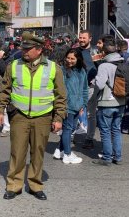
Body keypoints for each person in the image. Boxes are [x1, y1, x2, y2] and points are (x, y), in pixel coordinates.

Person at [0, 31, 66, 200]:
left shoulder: (52, 68)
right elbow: (5, 90)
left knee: (38, 152)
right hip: (19, 116)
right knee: (17, 152)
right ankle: (14, 185)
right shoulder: (13, 66)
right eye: (23, 48)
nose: (24, 51)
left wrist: (58, 118)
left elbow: (61, 95)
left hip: (43, 117)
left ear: (39, 50)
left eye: (28, 49)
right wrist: (0, 110)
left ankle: (35, 185)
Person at [92, 36, 126, 166]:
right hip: (121, 102)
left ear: (104, 52)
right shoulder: (123, 63)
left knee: (105, 130)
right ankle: (117, 157)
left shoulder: (104, 65)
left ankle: (106, 157)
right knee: (116, 130)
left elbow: (99, 85)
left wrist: (94, 81)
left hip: (107, 102)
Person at [53, 48, 88, 164]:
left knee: (72, 128)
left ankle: (60, 149)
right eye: (68, 58)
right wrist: (62, 106)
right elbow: (59, 90)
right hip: (67, 106)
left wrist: (83, 104)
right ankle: (67, 154)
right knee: (68, 129)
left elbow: (84, 89)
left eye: (72, 58)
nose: (69, 60)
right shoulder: (61, 70)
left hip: (78, 105)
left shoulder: (82, 71)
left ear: (78, 59)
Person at [78, 30, 99, 150]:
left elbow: (101, 67)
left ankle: (89, 138)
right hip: (78, 87)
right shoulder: (75, 51)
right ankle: (73, 134)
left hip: (91, 87)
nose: (81, 40)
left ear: (90, 39)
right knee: (75, 110)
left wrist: (95, 80)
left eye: (84, 38)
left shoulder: (95, 51)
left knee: (91, 114)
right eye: (80, 38)